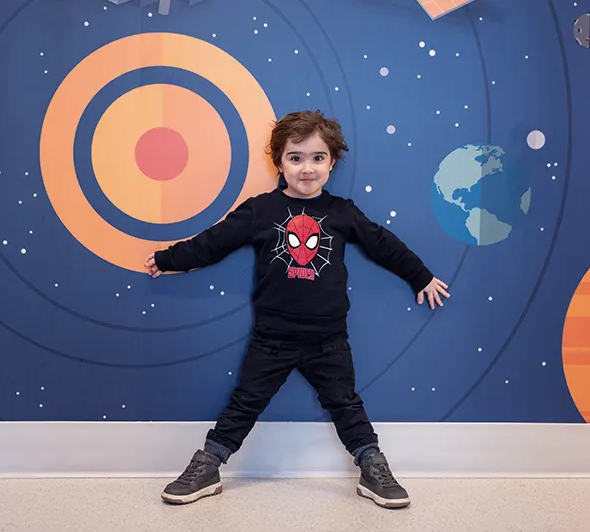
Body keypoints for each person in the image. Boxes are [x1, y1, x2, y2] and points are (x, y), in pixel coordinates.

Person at [145, 110, 450, 509]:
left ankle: (372, 466)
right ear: (280, 162)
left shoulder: (342, 212)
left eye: (317, 158)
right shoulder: (260, 210)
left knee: (345, 403)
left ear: (332, 162)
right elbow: (213, 242)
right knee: (245, 402)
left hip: (329, 339)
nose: (307, 168)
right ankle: (208, 465)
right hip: (273, 337)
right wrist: (170, 259)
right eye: (296, 158)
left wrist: (420, 275)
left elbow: (383, 244)